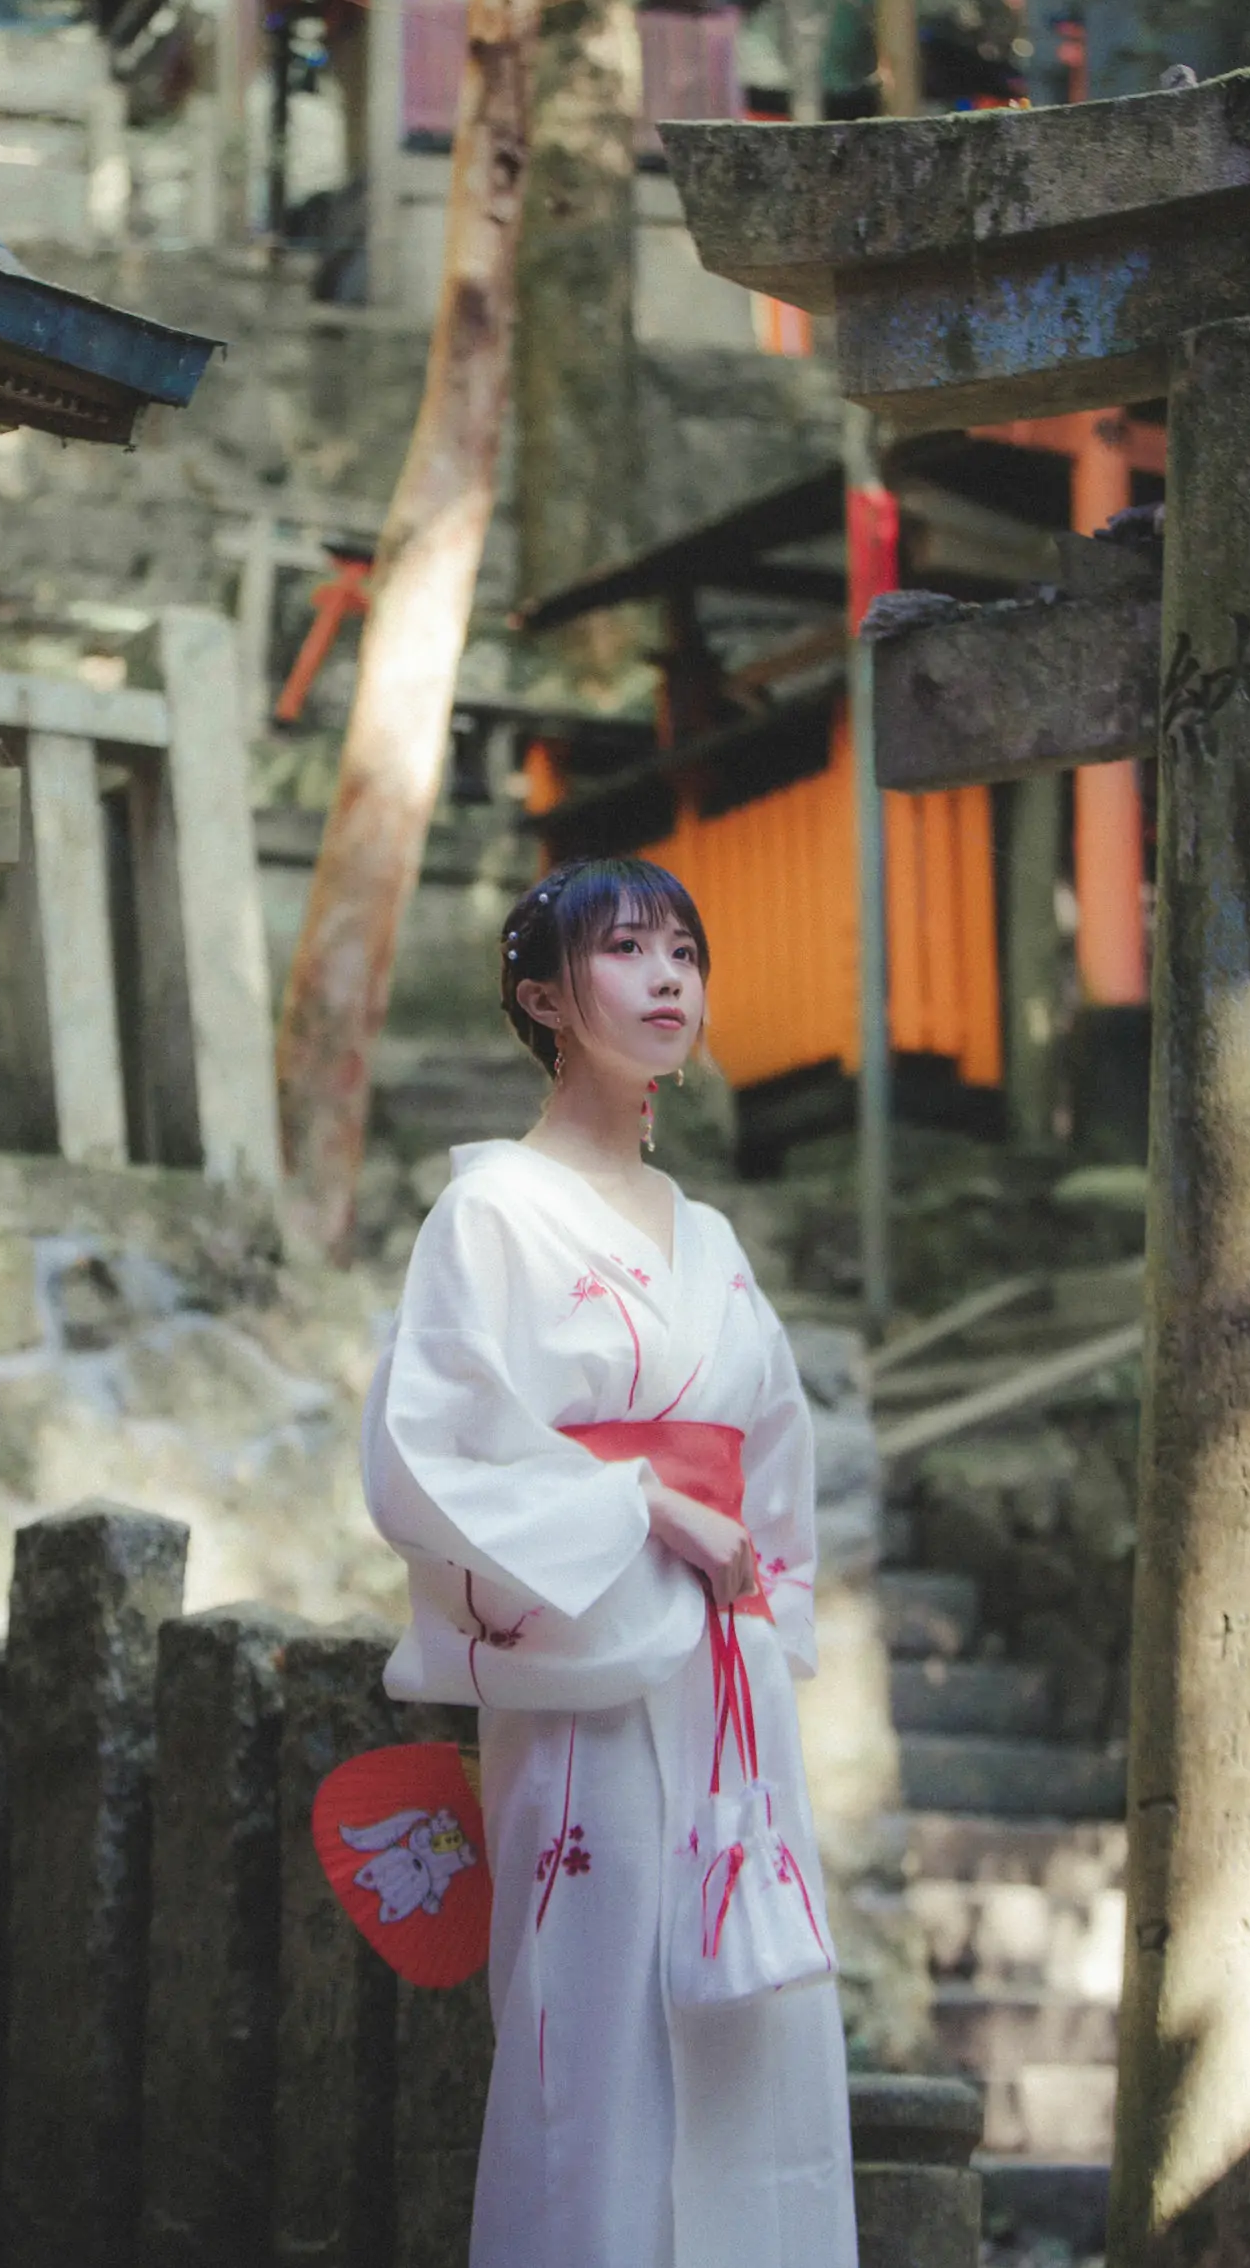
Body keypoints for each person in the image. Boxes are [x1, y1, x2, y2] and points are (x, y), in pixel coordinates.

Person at [361, 855, 858, 2268]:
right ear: (542, 999)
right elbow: (435, 1444)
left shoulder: (710, 1237)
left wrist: (753, 1583)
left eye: (684, 953)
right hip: (590, 1658)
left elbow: (771, 1445)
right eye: (628, 949)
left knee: (756, 2024)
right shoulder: (492, 1214)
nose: (668, 977)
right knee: (593, 2040)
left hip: (723, 1667)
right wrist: (642, 1503)